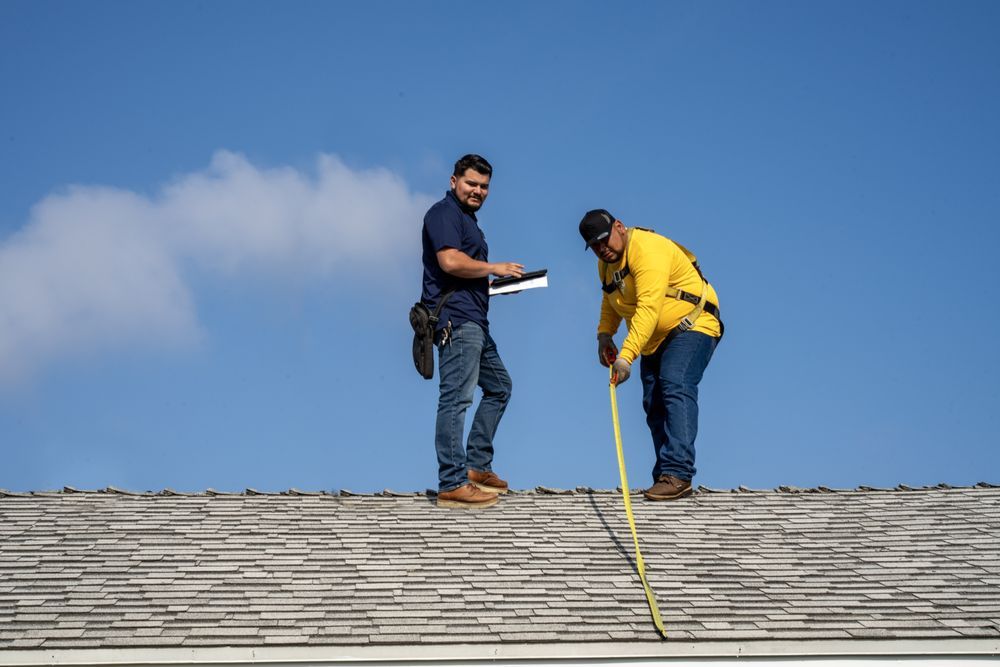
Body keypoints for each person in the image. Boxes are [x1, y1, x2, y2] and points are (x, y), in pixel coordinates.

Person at [579, 209, 723, 501]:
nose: (602, 248)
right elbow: (611, 298)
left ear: (619, 227)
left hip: (693, 324)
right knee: (653, 402)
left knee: (675, 384)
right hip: (654, 339)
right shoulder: (605, 265)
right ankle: (664, 476)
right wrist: (605, 335)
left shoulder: (648, 249)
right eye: (594, 245)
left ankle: (678, 473)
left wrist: (626, 356)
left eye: (605, 240)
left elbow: (648, 307)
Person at [421, 154, 524, 509]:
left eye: (484, 186)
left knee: (500, 387)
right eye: (471, 184)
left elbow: (465, 271)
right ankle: (451, 481)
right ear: (454, 182)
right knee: (456, 398)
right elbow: (449, 261)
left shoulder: (467, 221)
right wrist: (493, 266)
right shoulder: (444, 214)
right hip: (457, 321)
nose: (478, 191)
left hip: (475, 321)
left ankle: (477, 466)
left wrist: (497, 283)